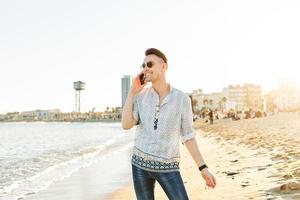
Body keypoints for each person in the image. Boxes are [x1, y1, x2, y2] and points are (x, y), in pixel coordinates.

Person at [122, 48, 216, 200]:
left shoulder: (182, 99)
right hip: (139, 166)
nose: (145, 68)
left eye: (150, 64)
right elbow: (126, 124)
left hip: (168, 167)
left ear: (164, 66)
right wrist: (132, 92)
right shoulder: (140, 97)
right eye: (143, 65)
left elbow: (188, 136)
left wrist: (203, 168)